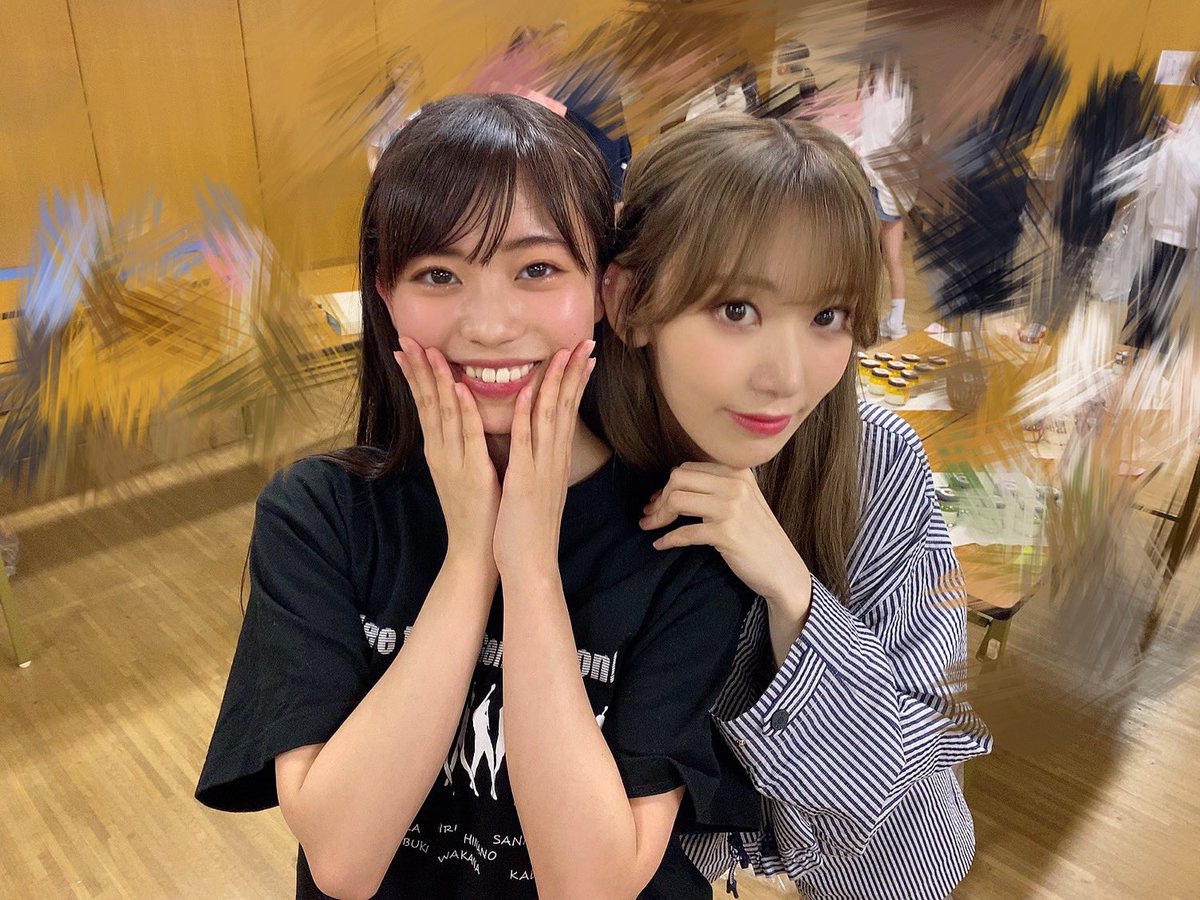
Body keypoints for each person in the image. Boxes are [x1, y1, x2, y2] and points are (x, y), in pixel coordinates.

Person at [195, 94, 753, 899]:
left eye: (537, 269)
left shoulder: (679, 536)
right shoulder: (319, 514)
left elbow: (591, 887)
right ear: (385, 293)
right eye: (438, 274)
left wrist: (529, 567)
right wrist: (469, 561)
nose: (489, 325)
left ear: (605, 288)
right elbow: (343, 861)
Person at [591, 112, 992, 899]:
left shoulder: (873, 459)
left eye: (826, 317)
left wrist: (796, 596)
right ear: (631, 301)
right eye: (737, 310)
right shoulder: (578, 461)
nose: (787, 378)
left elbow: (908, 811)